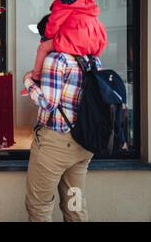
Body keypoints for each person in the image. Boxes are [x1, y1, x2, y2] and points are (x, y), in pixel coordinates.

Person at [23, 52, 102, 222]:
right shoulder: (93, 60)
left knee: (39, 206)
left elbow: (48, 103)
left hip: (55, 145)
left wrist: (28, 81)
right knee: (75, 204)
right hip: (83, 144)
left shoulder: (58, 59)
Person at [21, 0, 107, 95]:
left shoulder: (64, 3)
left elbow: (53, 24)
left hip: (74, 40)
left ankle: (36, 77)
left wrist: (47, 37)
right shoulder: (87, 0)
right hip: (93, 42)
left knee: (43, 47)